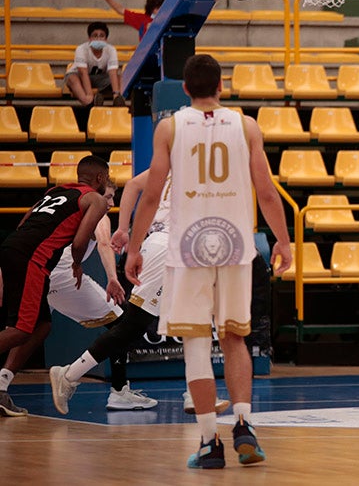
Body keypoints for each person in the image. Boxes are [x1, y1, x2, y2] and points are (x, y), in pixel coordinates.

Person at [122, 54, 291, 468]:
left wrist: (134, 245)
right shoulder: (246, 125)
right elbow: (267, 192)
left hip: (187, 247)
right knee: (235, 336)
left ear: (184, 89)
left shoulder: (170, 126)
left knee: (197, 341)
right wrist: (284, 241)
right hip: (234, 244)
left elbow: (151, 192)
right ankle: (244, 424)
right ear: (222, 86)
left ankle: (208, 442)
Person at [50, 170, 229, 416]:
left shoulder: (177, 160)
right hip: (168, 246)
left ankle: (194, 392)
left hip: (183, 247)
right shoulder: (202, 164)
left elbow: (134, 185)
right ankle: (69, 375)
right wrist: (124, 232)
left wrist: (124, 229)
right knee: (133, 325)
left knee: (195, 321)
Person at [0, 156, 110, 417]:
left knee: (41, 326)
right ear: (100, 179)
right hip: (33, 258)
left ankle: (2, 385)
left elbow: (22, 224)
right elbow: (80, 241)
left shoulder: (55, 191)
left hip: (14, 248)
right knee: (19, 330)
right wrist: (77, 264)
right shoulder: (96, 199)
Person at [64, 22, 125, 107]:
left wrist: (116, 94)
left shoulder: (111, 50)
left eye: (101, 36)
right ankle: (89, 102)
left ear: (106, 39)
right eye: (95, 35)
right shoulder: (81, 49)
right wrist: (90, 94)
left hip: (100, 78)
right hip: (79, 77)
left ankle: (118, 101)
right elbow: (83, 73)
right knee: (72, 79)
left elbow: (112, 72)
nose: (98, 38)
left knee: (120, 77)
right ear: (89, 38)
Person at [93, 0, 165, 39]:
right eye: (157, 8)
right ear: (151, 9)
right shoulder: (142, 19)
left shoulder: (169, 20)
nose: (159, 11)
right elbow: (121, 10)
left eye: (162, 7)